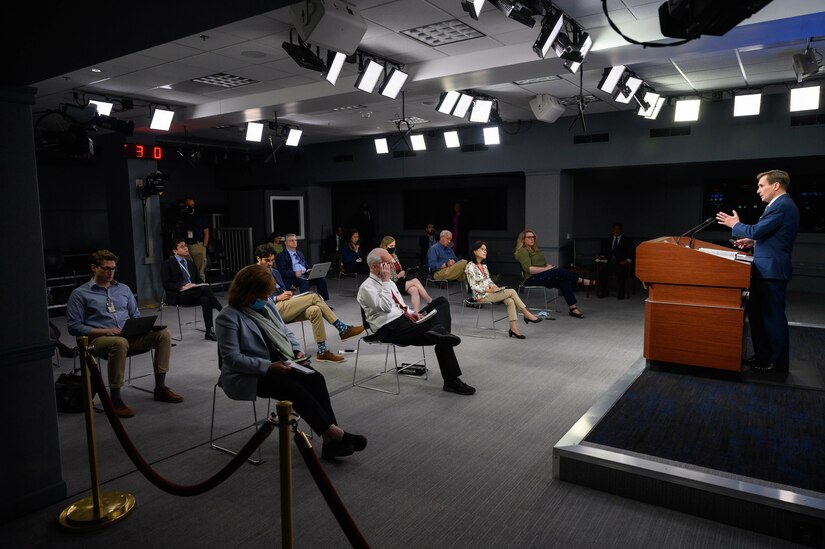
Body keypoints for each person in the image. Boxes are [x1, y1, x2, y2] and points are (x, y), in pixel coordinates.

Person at [215, 265, 367, 460]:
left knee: (316, 379)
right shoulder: (227, 317)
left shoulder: (267, 304)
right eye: (263, 296)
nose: (267, 299)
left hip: (283, 362)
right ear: (248, 293)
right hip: (252, 373)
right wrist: (269, 366)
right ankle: (337, 435)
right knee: (292, 388)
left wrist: (296, 349)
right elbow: (232, 360)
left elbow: (285, 332)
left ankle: (330, 442)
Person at [66, 250, 183, 418]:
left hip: (128, 335)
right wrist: (106, 331)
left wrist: (140, 327)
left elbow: (135, 315)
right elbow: (74, 327)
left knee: (163, 334)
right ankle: (115, 399)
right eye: (106, 268)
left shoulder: (123, 289)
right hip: (99, 340)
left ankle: (160, 388)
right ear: (94, 268)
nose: (110, 273)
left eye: (113, 269)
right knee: (119, 343)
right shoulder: (80, 294)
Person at [357, 248, 476, 396]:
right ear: (374, 267)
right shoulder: (367, 287)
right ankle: (451, 380)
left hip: (405, 320)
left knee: (441, 302)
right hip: (389, 329)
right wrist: (387, 282)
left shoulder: (389, 283)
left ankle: (439, 331)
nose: (392, 266)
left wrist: (413, 313)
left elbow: (401, 306)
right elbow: (387, 308)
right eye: (387, 263)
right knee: (441, 336)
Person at [716, 169, 800, 373]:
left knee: (772, 318)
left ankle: (778, 363)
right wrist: (753, 241)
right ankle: (764, 356)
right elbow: (767, 234)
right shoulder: (778, 205)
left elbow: (758, 230)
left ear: (776, 185)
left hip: (772, 271)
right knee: (758, 316)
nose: (758, 190)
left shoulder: (782, 205)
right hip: (765, 270)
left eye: (762, 186)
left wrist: (735, 225)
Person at [255, 245, 364, 363]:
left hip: (284, 306)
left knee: (315, 310)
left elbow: (281, 289)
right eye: (267, 260)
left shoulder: (274, 272)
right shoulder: (253, 274)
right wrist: (276, 298)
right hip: (270, 310)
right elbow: (255, 299)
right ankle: (342, 329)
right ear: (258, 258)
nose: (270, 263)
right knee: (313, 296)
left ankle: (322, 352)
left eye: (272, 260)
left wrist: (286, 294)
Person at [465, 241, 542, 339]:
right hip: (481, 296)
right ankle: (526, 314)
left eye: (486, 250)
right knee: (512, 291)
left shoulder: (484, 266)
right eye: (482, 249)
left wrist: (496, 288)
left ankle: (513, 329)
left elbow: (489, 281)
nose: (485, 251)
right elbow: (473, 286)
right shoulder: (470, 266)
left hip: (491, 293)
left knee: (510, 301)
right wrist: (489, 290)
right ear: (475, 251)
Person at [514, 229, 595, 319]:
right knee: (560, 271)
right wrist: (547, 268)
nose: (532, 239)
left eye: (533, 237)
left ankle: (573, 309)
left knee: (565, 281)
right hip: (531, 279)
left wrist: (550, 266)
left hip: (542, 275)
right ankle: (581, 281)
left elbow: (543, 264)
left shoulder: (534, 250)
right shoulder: (523, 251)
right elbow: (530, 270)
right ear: (523, 239)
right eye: (529, 237)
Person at [161, 239, 223, 341]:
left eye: (186, 246)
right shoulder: (167, 264)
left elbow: (198, 280)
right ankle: (222, 311)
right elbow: (166, 284)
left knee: (205, 299)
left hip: (193, 292)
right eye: (182, 247)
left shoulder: (190, 263)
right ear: (175, 251)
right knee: (205, 289)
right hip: (179, 295)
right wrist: (181, 287)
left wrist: (194, 285)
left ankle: (209, 331)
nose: (186, 248)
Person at [379, 235, 433, 312]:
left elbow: (399, 269)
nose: (393, 248)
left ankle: (416, 313)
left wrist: (402, 273)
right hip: (391, 284)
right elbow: (385, 276)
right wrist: (397, 276)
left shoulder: (394, 255)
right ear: (385, 246)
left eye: (394, 246)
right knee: (415, 281)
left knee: (414, 289)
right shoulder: (383, 258)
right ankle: (430, 302)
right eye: (391, 246)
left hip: (400, 281)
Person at [275, 233, 330, 301]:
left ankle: (324, 302)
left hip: (304, 275)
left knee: (321, 279)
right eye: (291, 240)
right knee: (304, 282)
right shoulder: (281, 256)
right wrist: (295, 273)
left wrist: (308, 270)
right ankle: (305, 303)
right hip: (292, 277)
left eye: (295, 240)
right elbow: (282, 272)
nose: (294, 242)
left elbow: (304, 265)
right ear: (285, 243)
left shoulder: (299, 253)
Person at [596, 222, 634, 300]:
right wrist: (601, 256)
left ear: (621, 230)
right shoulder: (607, 240)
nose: (617, 230)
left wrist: (627, 260)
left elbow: (632, 254)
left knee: (620, 271)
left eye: (618, 229)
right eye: (615, 229)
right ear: (612, 230)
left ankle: (621, 292)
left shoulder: (627, 240)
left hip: (621, 263)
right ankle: (604, 291)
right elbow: (603, 253)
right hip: (609, 262)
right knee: (602, 270)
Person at [180, 197, 209, 283]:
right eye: (187, 205)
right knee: (188, 271)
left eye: (191, 205)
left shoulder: (200, 216)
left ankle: (202, 290)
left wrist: (204, 246)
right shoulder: (184, 216)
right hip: (186, 246)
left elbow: (206, 232)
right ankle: (191, 290)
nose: (189, 207)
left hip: (198, 245)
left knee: (199, 271)